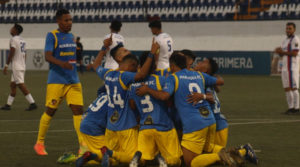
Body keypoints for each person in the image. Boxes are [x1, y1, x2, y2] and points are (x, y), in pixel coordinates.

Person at [135, 53, 244, 167]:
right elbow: (219, 82)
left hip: (194, 124)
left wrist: (148, 89)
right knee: (208, 147)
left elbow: (164, 96)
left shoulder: (174, 77)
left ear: (172, 65)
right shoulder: (199, 75)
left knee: (191, 162)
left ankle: (220, 156)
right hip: (210, 120)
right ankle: (240, 152)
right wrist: (204, 95)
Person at [90, 37, 159, 167]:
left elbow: (95, 65)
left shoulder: (108, 74)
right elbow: (142, 75)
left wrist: (104, 47)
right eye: (134, 68)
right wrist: (152, 53)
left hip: (111, 127)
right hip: (126, 126)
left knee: (115, 163)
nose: (135, 71)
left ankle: (94, 156)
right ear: (131, 65)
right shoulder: (125, 76)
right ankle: (110, 153)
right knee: (139, 160)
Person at [34, 9, 84, 156]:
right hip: (57, 81)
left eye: (70, 20)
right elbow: (48, 56)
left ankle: (83, 145)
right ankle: (39, 143)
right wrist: (62, 64)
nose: (69, 23)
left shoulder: (71, 36)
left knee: (78, 112)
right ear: (59, 21)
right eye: (66, 20)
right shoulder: (52, 35)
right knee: (50, 111)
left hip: (73, 81)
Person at [128, 51, 182, 167]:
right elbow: (168, 100)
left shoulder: (133, 85)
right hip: (163, 126)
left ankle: (137, 160)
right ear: (154, 65)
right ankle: (163, 160)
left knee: (144, 159)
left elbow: (132, 105)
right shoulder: (161, 80)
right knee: (175, 161)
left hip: (145, 128)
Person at [1, 23, 37, 111]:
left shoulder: (13, 39)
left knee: (20, 85)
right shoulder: (23, 40)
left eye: (12, 28)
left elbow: (12, 52)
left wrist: (6, 65)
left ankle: (32, 103)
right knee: (13, 85)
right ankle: (8, 105)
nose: (11, 29)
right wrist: (23, 64)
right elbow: (25, 53)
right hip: (21, 65)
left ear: (16, 30)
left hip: (16, 66)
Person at [275, 22, 300, 114]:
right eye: (287, 28)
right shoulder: (285, 40)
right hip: (285, 68)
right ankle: (291, 108)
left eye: (290, 28)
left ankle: (297, 108)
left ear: (294, 30)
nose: (288, 30)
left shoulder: (295, 40)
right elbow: (283, 53)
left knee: (294, 88)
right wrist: (279, 51)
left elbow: (294, 53)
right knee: (287, 88)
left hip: (292, 68)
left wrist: (283, 52)